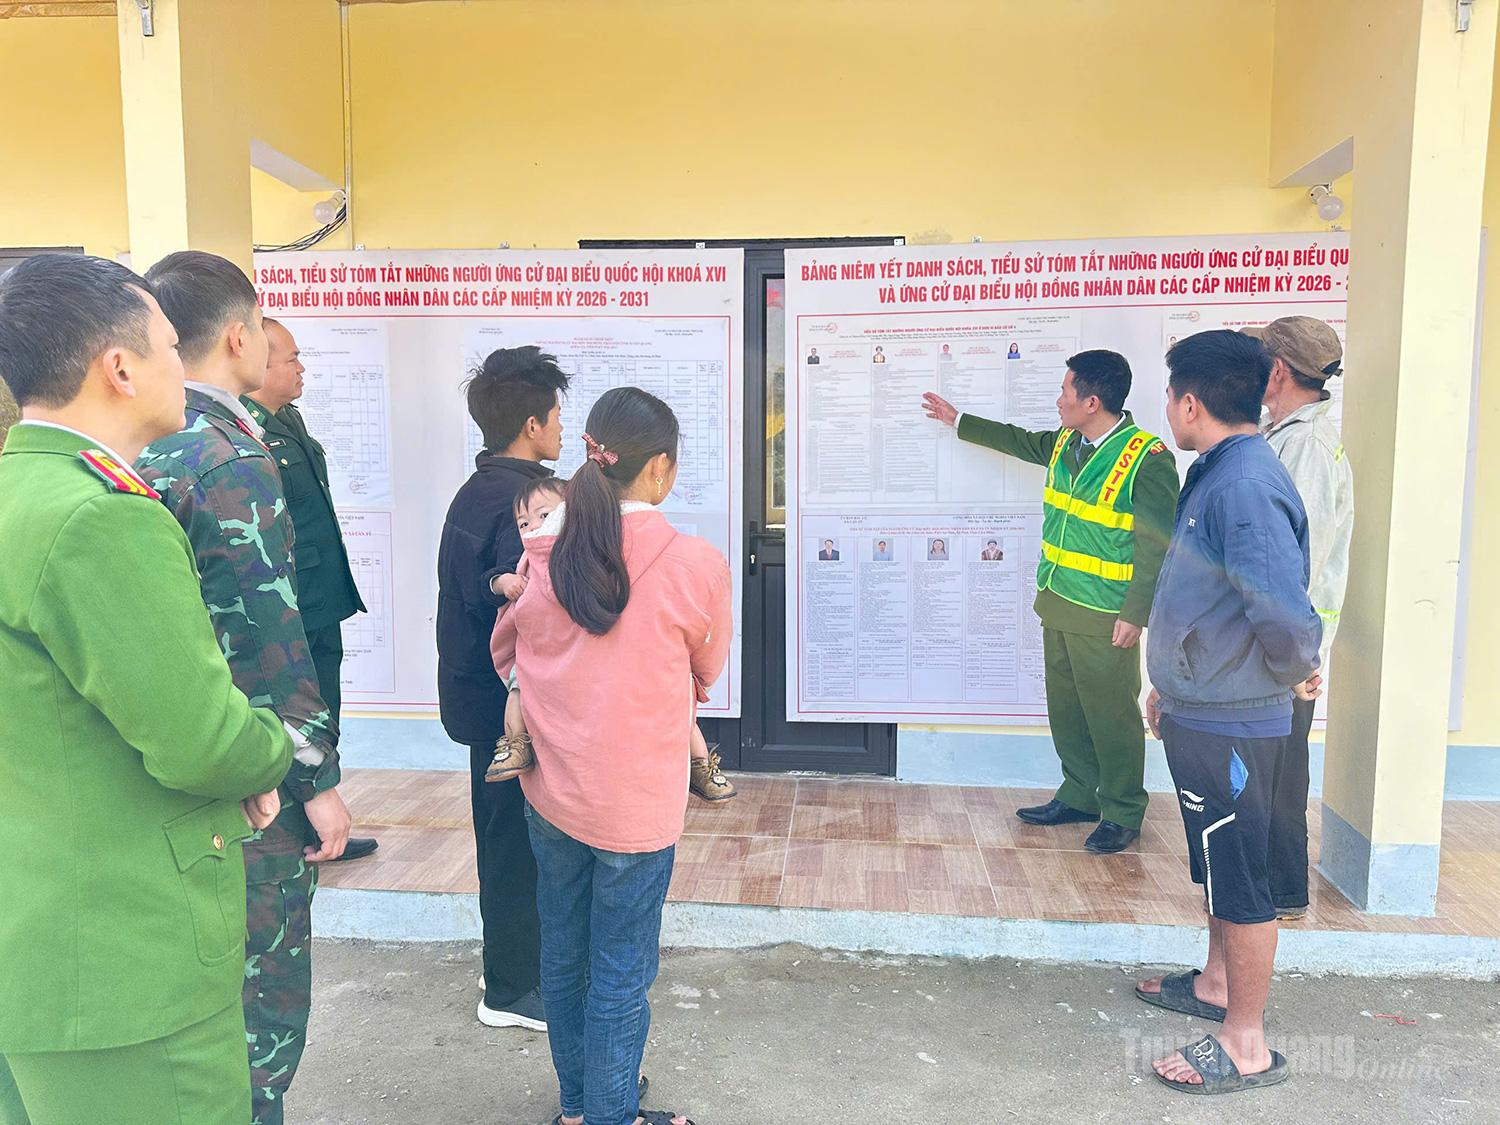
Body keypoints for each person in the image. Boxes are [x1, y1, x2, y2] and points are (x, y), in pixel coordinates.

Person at [0, 254, 293, 1124]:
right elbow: (203, 740)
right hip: (121, 962)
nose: (182, 365)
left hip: (37, 945)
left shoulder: (20, 489)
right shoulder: (100, 516)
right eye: (169, 346)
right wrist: (265, 752)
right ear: (119, 369)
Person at [136, 251, 350, 1125]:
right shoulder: (223, 454)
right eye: (265, 327)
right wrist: (316, 778)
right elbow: (266, 633)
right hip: (247, 770)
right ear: (237, 335)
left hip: (178, 758)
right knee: (262, 1003)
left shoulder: (147, 441)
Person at [492, 387, 731, 1125]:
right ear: (659, 468)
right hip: (636, 803)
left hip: (553, 793)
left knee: (564, 958)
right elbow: (705, 667)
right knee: (622, 974)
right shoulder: (694, 564)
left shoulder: (543, 555)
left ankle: (580, 1108)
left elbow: (508, 648)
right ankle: (611, 1115)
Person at [1136, 330, 1322, 1096]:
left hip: (1236, 720)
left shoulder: (1242, 483)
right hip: (1205, 706)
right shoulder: (1219, 469)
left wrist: (1294, 671)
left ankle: (1245, 1041)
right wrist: (1174, 683)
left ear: (1190, 402)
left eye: (1169, 394)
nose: (1168, 407)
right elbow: (1207, 594)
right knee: (1217, 858)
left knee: (1240, 874)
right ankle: (1216, 983)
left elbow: (1278, 608)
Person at [923, 350, 1178, 853]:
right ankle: (1079, 794)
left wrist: (1136, 614)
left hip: (1106, 614)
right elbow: (1020, 441)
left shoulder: (1147, 460)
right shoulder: (1067, 441)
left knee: (1111, 715)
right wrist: (958, 421)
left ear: (1092, 402)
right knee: (1067, 710)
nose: (1059, 400)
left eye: (1065, 391)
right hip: (1057, 600)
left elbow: (1158, 547)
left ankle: (1123, 810)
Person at [437, 345, 566, 1032]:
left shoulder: (479, 488)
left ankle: (508, 964)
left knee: (503, 834)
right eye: (556, 417)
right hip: (506, 704)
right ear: (531, 424)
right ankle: (513, 990)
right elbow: (534, 605)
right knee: (516, 840)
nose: (562, 428)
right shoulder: (526, 502)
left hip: (478, 697)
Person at [485, 477, 736, 802]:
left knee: (678, 706)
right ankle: (516, 743)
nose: (534, 526)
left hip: (607, 672)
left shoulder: (591, 553)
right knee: (518, 688)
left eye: (545, 515)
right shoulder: (526, 560)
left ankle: (699, 763)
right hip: (548, 667)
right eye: (523, 523)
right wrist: (502, 582)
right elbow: (502, 595)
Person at [243, 317, 379, 863]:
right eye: (292, 359)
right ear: (259, 365)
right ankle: (298, 832)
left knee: (326, 711)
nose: (302, 369)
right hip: (290, 606)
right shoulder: (246, 433)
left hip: (321, 597)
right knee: (297, 716)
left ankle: (322, 827)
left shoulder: (288, 420)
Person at [1245, 316, 1353, 920]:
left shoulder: (1305, 447)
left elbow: (1296, 561)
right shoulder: (1284, 435)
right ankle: (1267, 892)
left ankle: (1282, 894)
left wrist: (1293, 655)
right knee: (1268, 772)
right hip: (1284, 641)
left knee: (1280, 777)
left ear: (1278, 370)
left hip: (1287, 645)